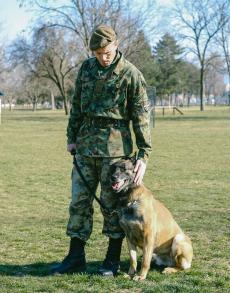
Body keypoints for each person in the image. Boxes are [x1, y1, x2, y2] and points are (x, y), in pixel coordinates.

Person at [51, 25, 152, 276]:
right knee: (79, 203)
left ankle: (111, 260)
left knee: (112, 207)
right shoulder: (86, 69)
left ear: (116, 45)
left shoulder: (131, 74)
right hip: (85, 148)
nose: (102, 57)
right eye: (97, 53)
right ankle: (75, 257)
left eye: (106, 52)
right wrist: (71, 137)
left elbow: (141, 116)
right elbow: (76, 106)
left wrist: (143, 154)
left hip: (116, 154)